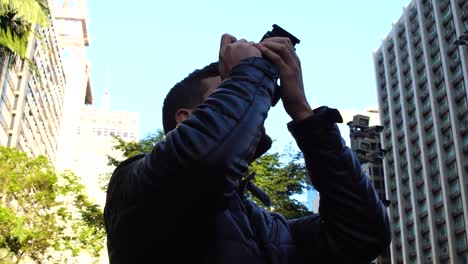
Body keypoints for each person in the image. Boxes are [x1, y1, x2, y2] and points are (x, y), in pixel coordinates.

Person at [104, 34, 391, 264]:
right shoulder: (134, 184)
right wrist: (251, 71)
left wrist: (305, 115)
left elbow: (364, 234)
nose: (257, 103)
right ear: (186, 119)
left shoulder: (274, 230)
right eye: (229, 89)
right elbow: (206, 159)